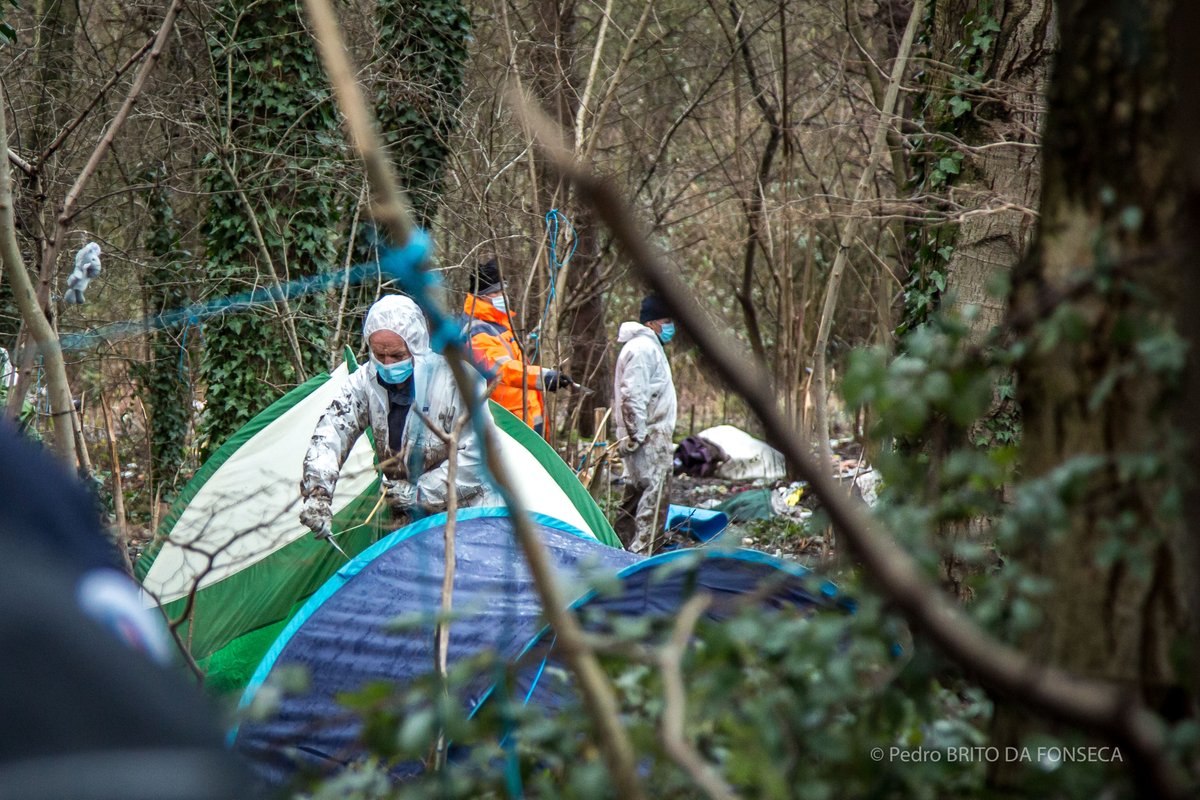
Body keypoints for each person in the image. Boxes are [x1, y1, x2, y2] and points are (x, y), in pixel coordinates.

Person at [299, 295, 497, 537]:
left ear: (416, 347)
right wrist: (317, 494)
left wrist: (421, 493)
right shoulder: (364, 383)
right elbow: (331, 433)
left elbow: (480, 456)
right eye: (379, 355)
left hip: (466, 518)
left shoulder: (455, 383)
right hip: (408, 525)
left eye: (397, 356)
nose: (387, 363)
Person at [463, 257, 573, 435]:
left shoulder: (499, 324)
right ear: (482, 297)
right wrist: (544, 377)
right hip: (506, 424)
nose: (503, 296)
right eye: (497, 293)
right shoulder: (477, 331)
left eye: (503, 291)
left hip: (525, 419)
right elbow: (502, 369)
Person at [612, 294, 678, 553]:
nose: (671, 326)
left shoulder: (647, 347)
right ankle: (643, 555)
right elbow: (632, 395)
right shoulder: (643, 349)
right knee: (654, 496)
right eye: (667, 321)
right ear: (652, 323)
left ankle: (617, 549)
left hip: (646, 434)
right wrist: (635, 435)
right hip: (648, 435)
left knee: (635, 495)